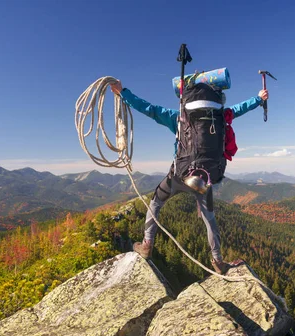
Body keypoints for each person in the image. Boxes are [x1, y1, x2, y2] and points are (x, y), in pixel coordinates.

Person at [110, 79, 268, 274]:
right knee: (209, 219)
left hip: (179, 176)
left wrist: (123, 92)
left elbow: (148, 108)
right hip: (206, 178)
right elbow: (239, 108)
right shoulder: (220, 116)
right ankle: (218, 261)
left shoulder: (178, 118)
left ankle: (147, 244)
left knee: (156, 203)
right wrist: (258, 99)